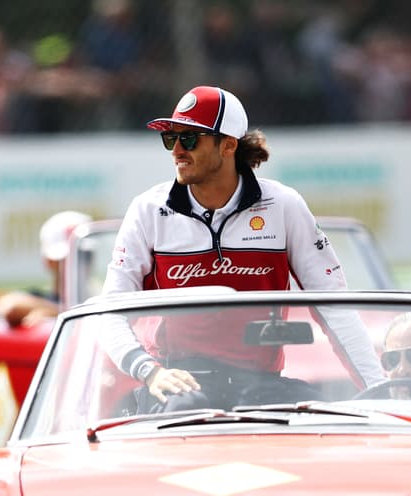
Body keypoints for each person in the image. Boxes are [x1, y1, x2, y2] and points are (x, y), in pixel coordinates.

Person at [101, 84, 382, 410]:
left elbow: (335, 308)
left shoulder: (284, 205)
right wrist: (149, 372)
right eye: (170, 138)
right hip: (177, 382)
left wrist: (380, 392)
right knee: (186, 409)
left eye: (189, 138)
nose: (176, 150)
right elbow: (110, 312)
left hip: (262, 384)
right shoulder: (148, 209)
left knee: (327, 419)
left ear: (228, 146)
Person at [0, 209, 92, 326]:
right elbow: (10, 306)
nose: (78, 263)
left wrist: (60, 313)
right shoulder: (38, 298)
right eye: (66, 259)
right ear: (49, 262)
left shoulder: (103, 297)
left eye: (84, 256)